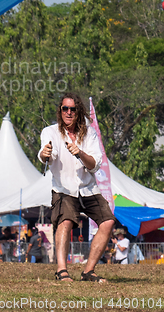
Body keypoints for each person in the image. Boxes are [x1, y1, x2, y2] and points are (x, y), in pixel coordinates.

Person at [39, 92, 116, 282]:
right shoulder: (50, 132)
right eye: (65, 108)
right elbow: (47, 155)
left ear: (78, 111)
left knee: (108, 222)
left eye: (73, 109)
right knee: (65, 222)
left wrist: (79, 153)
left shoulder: (89, 133)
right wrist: (45, 154)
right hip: (64, 189)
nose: (68, 112)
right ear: (60, 110)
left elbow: (94, 164)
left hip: (88, 188)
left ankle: (88, 271)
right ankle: (61, 271)